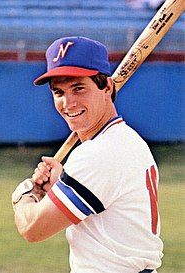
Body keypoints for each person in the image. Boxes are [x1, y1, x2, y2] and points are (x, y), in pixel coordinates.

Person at [12, 36, 163, 273]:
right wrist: (63, 183)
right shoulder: (126, 139)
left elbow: (33, 228)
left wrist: (25, 193)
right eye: (58, 92)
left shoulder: (99, 153)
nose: (68, 102)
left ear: (107, 87)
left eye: (78, 88)